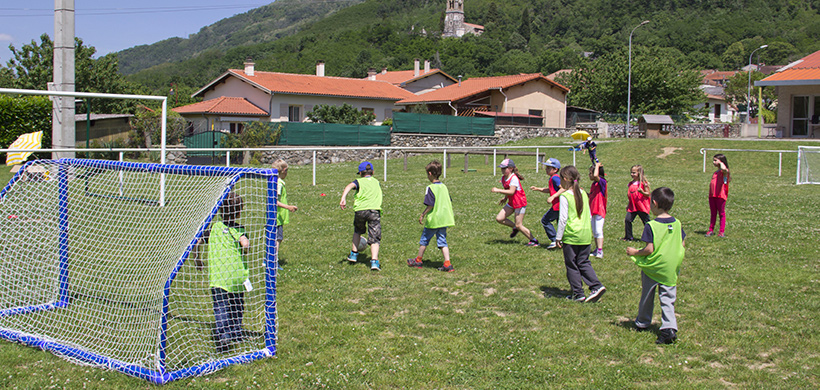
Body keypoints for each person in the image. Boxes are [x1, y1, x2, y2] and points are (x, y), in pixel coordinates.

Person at [626, 187, 686, 344]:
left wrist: (634, 252)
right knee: (668, 298)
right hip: (670, 268)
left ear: (654, 203)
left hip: (653, 267)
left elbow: (649, 249)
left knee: (647, 294)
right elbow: (682, 242)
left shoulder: (651, 225)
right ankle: (669, 328)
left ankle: (643, 322)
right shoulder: (677, 223)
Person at [193, 192, 251, 353]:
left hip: (218, 277)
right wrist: (246, 246)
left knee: (221, 306)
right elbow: (245, 244)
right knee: (237, 305)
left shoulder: (213, 229)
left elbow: (196, 242)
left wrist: (197, 259)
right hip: (236, 277)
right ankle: (235, 332)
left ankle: (223, 337)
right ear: (239, 212)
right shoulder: (239, 229)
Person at [555, 165, 606, 303]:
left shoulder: (565, 196)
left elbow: (563, 219)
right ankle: (596, 286)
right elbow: (589, 215)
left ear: (565, 179)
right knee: (583, 262)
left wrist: (558, 237)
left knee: (571, 264)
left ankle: (578, 293)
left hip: (572, 235)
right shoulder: (583, 193)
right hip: (585, 234)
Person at [407, 160, 456, 272]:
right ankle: (447, 263)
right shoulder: (444, 187)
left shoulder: (430, 187)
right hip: (444, 219)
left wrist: (422, 214)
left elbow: (430, 205)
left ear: (429, 173)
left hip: (434, 219)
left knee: (424, 240)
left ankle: (418, 260)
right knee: (442, 241)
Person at [340, 161, 383, 271]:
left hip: (360, 211)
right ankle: (374, 261)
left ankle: (354, 254)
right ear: (373, 172)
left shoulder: (358, 182)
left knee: (358, 231)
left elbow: (350, 185)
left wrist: (343, 197)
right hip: (374, 211)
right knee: (375, 237)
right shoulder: (376, 182)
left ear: (360, 173)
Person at [492, 158, 539, 247]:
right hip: (512, 202)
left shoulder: (514, 178)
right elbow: (508, 190)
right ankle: (515, 227)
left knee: (519, 225)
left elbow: (512, 191)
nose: (502, 170)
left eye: (504, 168)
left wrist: (498, 190)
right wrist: (505, 198)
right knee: (499, 218)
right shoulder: (504, 178)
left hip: (519, 203)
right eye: (501, 168)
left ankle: (534, 240)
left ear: (510, 168)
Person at [530, 157, 562, 249]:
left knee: (545, 220)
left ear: (555, 169)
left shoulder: (555, 178)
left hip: (558, 205)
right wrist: (538, 188)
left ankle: (554, 239)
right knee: (560, 223)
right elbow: (551, 189)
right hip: (558, 205)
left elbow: (563, 188)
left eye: (549, 168)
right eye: (546, 167)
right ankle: (561, 240)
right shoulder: (553, 178)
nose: (546, 169)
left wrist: (553, 197)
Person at [272, 160, 297, 268]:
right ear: (284, 171)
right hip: (276, 217)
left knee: (275, 238)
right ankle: (273, 261)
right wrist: (288, 207)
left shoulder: (273, 181)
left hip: (275, 216)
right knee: (277, 239)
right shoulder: (279, 184)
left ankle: (268, 259)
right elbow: (275, 201)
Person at [623, 165, 651, 241]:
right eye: (631, 172)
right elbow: (630, 196)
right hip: (632, 207)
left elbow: (648, 194)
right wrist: (628, 204)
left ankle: (650, 236)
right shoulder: (631, 183)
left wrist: (642, 192)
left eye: (634, 173)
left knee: (647, 222)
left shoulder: (643, 183)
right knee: (628, 220)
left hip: (641, 206)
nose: (632, 174)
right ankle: (628, 237)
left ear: (639, 173)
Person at [706, 154, 730, 237]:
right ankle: (711, 230)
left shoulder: (724, 171)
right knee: (713, 213)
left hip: (720, 196)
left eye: (715, 160)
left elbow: (724, 169)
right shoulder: (716, 172)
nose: (713, 162)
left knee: (721, 213)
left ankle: (721, 231)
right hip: (712, 196)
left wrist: (721, 163)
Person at [588, 163, 607, 258]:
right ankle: (596, 249)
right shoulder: (594, 184)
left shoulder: (602, 182)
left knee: (599, 230)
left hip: (600, 210)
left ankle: (600, 250)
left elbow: (596, 176)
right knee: (595, 231)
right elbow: (592, 196)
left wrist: (597, 165)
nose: (589, 175)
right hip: (593, 210)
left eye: (590, 173)